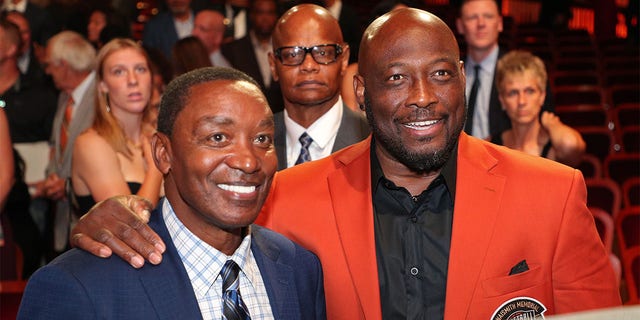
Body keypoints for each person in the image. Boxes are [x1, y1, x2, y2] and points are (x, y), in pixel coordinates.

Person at [69, 7, 622, 319]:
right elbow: (199, 237)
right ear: (360, 90)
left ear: (463, 82)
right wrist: (126, 213)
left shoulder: (552, 193)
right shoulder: (284, 198)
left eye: (442, 73)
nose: (424, 96)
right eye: (398, 78)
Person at [18, 66, 326, 319]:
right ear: (164, 153)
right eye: (218, 137)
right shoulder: (79, 284)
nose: (248, 160)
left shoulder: (299, 269)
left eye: (262, 138)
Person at [268, 4, 368, 170]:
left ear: (344, 60)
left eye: (323, 53)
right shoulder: (253, 142)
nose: (308, 65)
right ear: (273, 65)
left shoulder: (376, 141)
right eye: (293, 54)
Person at [70, 38, 163, 216]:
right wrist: (156, 168)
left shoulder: (158, 137)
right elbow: (131, 223)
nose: (133, 80)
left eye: (140, 69)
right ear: (103, 85)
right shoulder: (91, 144)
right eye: (119, 72)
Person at [456, 0, 553, 141]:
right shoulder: (450, 72)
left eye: (488, 16)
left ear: (500, 23)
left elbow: (546, 123)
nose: (481, 24)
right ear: (460, 26)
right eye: (472, 17)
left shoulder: (524, 70)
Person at [41, 30, 97, 255]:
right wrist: (52, 177)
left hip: (93, 217)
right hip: (65, 220)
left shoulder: (103, 95)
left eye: (50, 65)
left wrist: (68, 185)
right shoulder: (65, 96)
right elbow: (57, 146)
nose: (47, 72)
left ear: (63, 65)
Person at [492, 50, 585, 167]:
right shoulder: (490, 146)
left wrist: (552, 125)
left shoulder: (553, 149)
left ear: (542, 96)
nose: (522, 101)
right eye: (513, 93)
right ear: (502, 100)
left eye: (530, 91)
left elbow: (570, 144)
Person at [221, 0, 284, 113]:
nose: (265, 18)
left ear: (276, 16)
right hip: (245, 113)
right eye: (260, 12)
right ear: (251, 15)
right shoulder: (233, 49)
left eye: (270, 13)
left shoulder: (286, 48)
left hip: (282, 117)